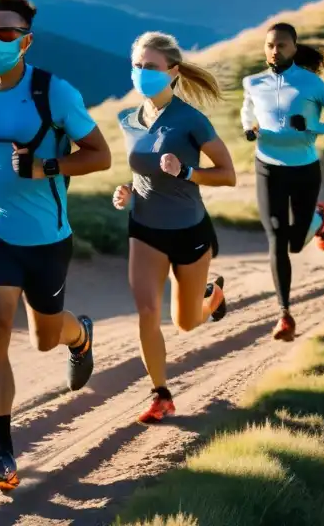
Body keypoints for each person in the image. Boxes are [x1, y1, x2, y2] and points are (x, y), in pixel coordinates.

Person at [0, 0, 112, 491]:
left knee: (44, 338)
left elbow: (100, 155)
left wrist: (48, 166)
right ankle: (2, 453)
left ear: (26, 41)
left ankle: (78, 335)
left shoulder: (53, 93)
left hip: (45, 236)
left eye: (5, 33)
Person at [112, 32, 236, 423]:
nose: (141, 73)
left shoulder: (191, 120)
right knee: (147, 311)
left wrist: (186, 170)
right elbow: (144, 170)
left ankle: (211, 296)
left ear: (172, 72)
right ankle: (160, 394)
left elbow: (228, 174)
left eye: (150, 66)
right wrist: (128, 192)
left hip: (189, 230)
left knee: (185, 322)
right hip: (145, 226)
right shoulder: (127, 119)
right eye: (137, 66)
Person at [240, 22, 324, 342]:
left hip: (304, 169)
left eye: (282, 45)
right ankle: (285, 314)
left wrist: (314, 128)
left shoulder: (312, 84)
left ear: (294, 47)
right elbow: (247, 112)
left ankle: (319, 218)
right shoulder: (253, 82)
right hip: (268, 169)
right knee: (277, 239)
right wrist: (250, 128)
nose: (275, 50)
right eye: (270, 45)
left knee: (294, 243)